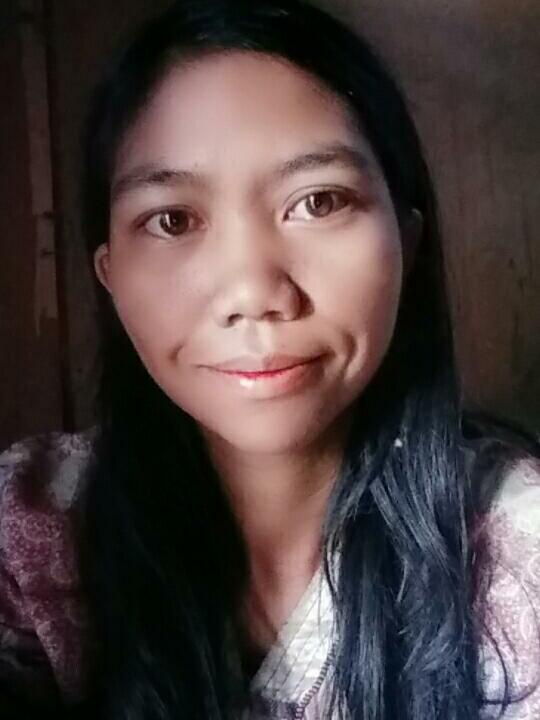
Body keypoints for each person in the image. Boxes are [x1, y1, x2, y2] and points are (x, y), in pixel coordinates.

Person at [0, 0, 539, 718]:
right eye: (172, 220)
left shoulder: (516, 548)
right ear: (111, 277)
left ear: (407, 243)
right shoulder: (29, 533)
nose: (254, 293)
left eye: (318, 201)